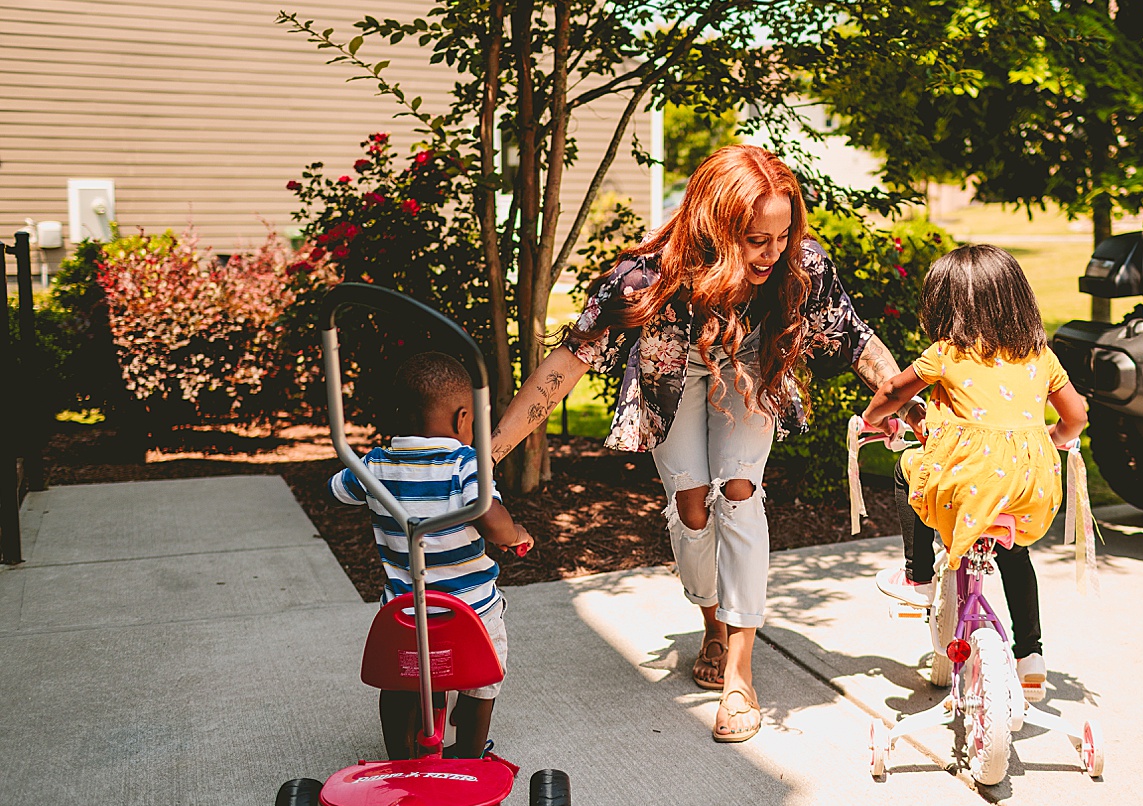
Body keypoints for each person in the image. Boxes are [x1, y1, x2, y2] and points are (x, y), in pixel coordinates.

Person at [490, 144, 921, 744]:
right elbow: (566, 364)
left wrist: (910, 402)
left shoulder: (800, 267)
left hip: (749, 368)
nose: (773, 252)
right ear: (715, 228)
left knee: (739, 491)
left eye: (782, 234)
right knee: (692, 507)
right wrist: (489, 455)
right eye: (755, 239)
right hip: (675, 375)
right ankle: (712, 623)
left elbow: (857, 340)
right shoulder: (649, 278)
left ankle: (740, 673)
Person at [860, 244, 1087, 702]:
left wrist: (870, 419)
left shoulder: (947, 353)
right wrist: (1057, 436)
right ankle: (1031, 655)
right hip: (1029, 484)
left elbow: (891, 390)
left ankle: (918, 576)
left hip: (965, 479)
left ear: (947, 305)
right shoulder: (1039, 356)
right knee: (1014, 553)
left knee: (907, 470)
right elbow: (1077, 414)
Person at [330, 351, 534, 759]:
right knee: (482, 680)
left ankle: (400, 758)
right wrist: (515, 533)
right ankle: (469, 756)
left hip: (405, 612)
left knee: (400, 682)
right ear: (463, 418)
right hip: (470, 612)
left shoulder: (374, 464)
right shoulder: (466, 464)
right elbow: (491, 519)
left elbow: (338, 488)